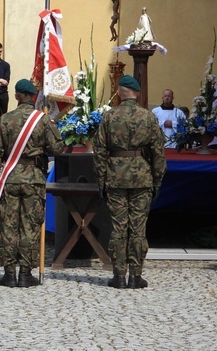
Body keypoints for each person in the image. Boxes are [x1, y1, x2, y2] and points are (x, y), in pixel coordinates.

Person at [0, 79, 64, 288]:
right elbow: (58, 149)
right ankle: (25, 273)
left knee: (9, 225)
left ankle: (9, 272)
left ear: (16, 96)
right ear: (33, 97)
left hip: (10, 179)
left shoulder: (5, 120)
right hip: (33, 180)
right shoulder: (43, 120)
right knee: (30, 226)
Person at [93, 75, 166, 289]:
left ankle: (118, 275)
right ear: (136, 92)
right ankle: (135, 275)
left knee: (118, 227)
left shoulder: (109, 116)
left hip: (115, 177)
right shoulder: (148, 117)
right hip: (142, 178)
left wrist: (101, 180)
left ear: (120, 92)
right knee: (138, 228)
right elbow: (158, 153)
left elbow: (99, 151)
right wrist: (157, 180)